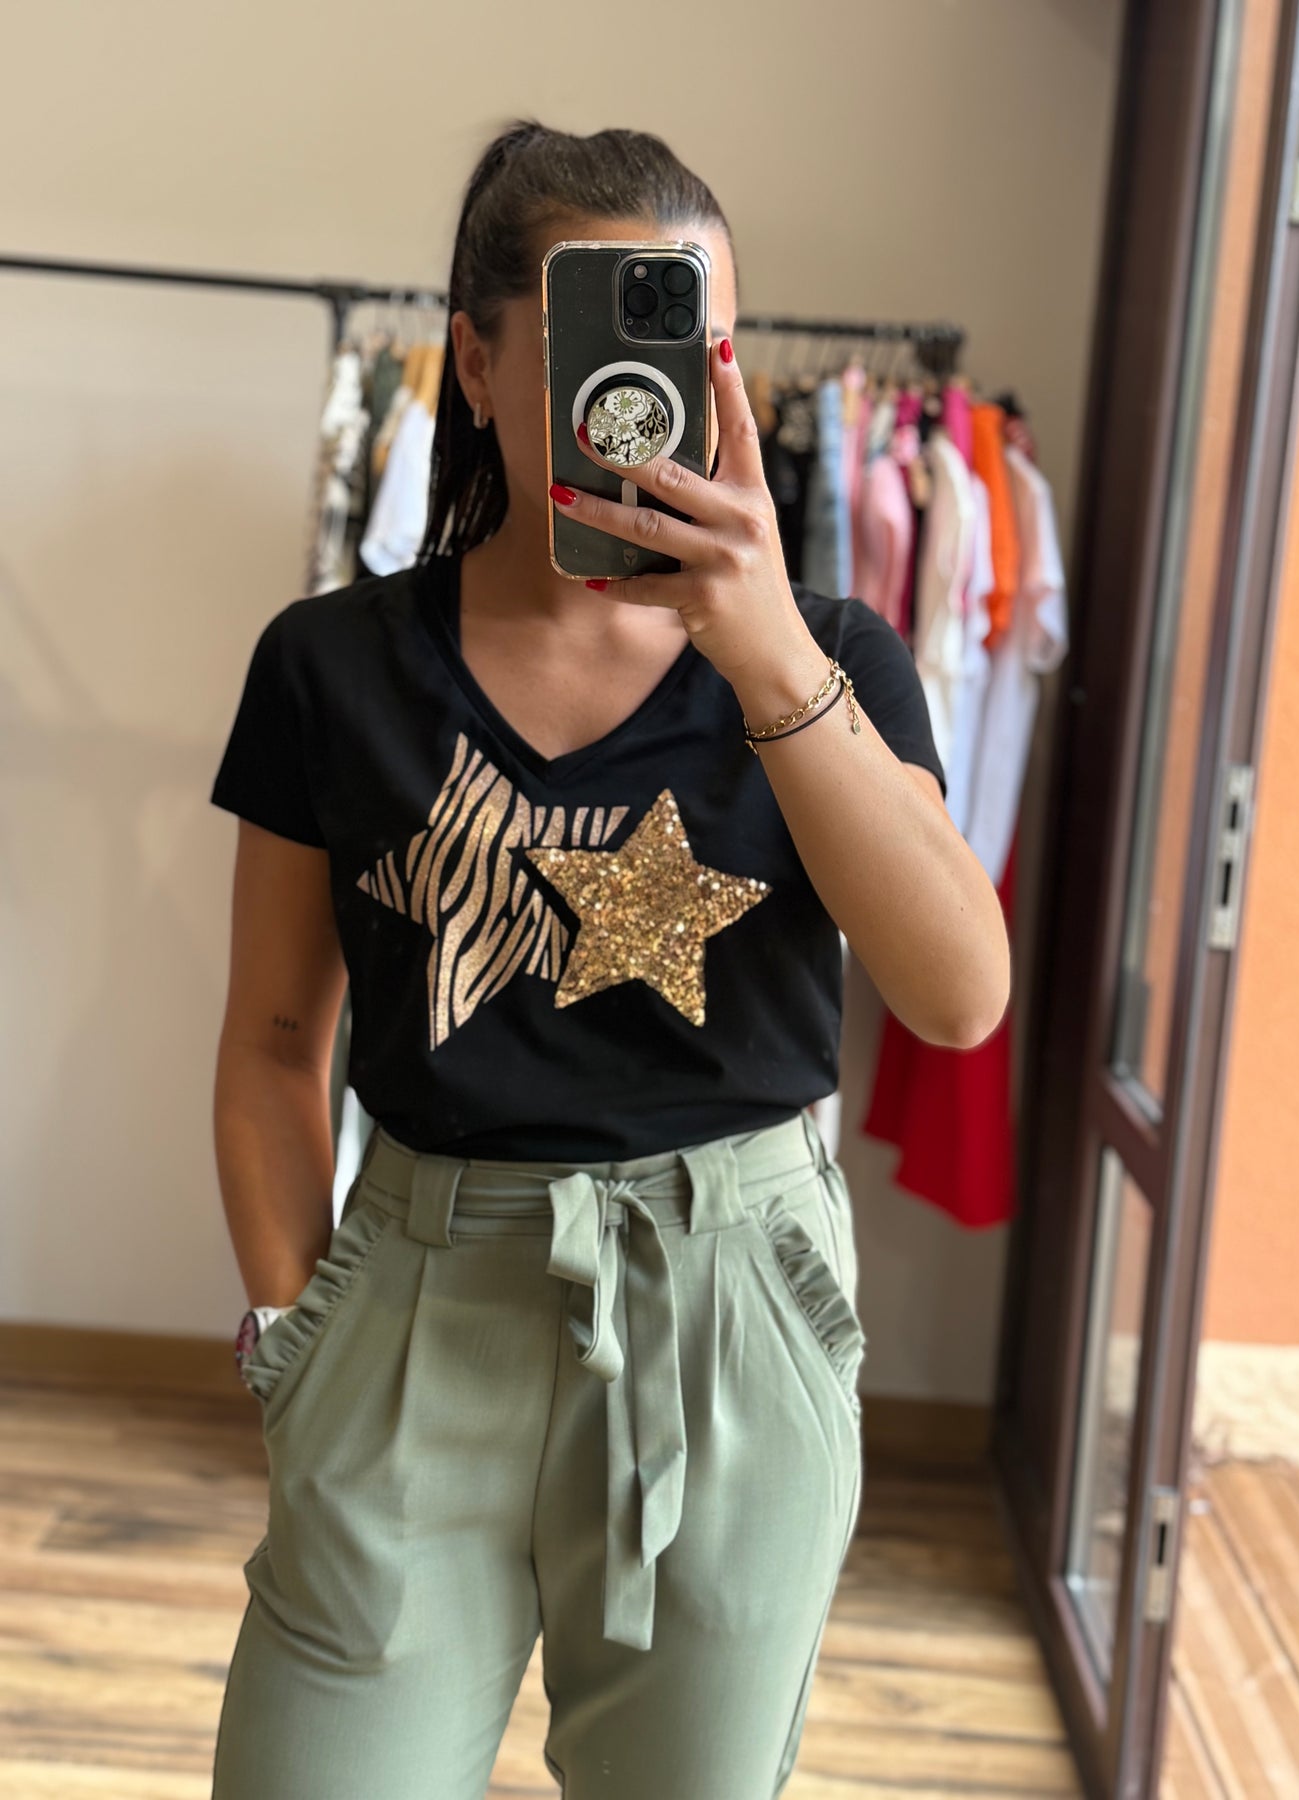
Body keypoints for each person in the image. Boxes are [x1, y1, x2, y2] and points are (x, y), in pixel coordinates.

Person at [208, 118, 1010, 1800]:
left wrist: (765, 653)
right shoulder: (329, 664)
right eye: (602, 335)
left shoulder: (832, 658)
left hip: (730, 1311)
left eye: (697, 344)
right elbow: (276, 1036)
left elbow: (957, 998)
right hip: (411, 1304)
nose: (649, 391)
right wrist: (293, 1338)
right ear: (479, 362)